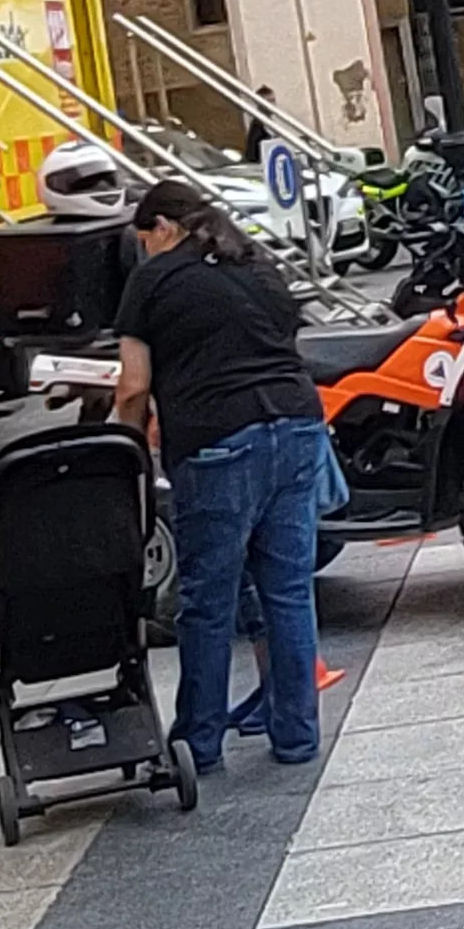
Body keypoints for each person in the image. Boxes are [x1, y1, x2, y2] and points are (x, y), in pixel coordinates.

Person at [109, 177, 327, 769]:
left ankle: (197, 743)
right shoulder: (255, 263)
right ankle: (298, 735)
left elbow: (133, 386)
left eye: (144, 239)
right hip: (297, 425)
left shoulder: (152, 280)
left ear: (163, 229)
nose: (143, 250)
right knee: (287, 592)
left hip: (218, 444)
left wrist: (126, 455)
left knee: (207, 600)